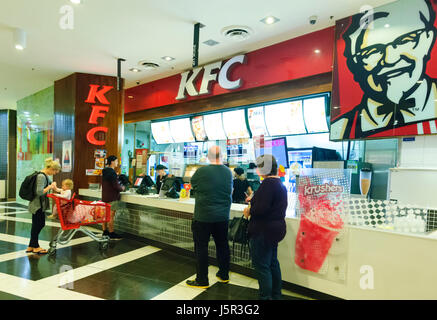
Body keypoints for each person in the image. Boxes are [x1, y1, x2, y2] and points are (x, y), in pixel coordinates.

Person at [331, 0, 437, 139]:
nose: (390, 59)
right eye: (371, 52)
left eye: (404, 41)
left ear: (427, 40)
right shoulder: (341, 128)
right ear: (355, 65)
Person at [186, 146, 233, 288]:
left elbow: (192, 185)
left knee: (201, 247)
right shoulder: (228, 172)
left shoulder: (202, 171)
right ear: (222, 156)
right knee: (222, 245)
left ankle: (202, 280)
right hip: (223, 217)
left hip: (203, 217)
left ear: (208, 157)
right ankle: (224, 275)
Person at [243, 154, 287, 300]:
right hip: (275, 229)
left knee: (262, 267)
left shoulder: (268, 184)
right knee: (273, 263)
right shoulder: (279, 183)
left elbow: (261, 209)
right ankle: (276, 295)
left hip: (263, 230)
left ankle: (265, 297)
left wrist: (249, 209)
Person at [26, 158, 60, 255]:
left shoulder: (44, 175)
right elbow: (39, 192)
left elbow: (51, 185)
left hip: (39, 204)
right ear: (51, 169)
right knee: (39, 224)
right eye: (55, 171)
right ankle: (35, 246)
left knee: (37, 224)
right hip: (37, 205)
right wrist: (50, 187)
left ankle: (31, 245)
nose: (54, 174)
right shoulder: (41, 176)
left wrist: (60, 190)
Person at [102, 155, 124, 240]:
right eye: (116, 161)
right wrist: (122, 188)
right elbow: (116, 186)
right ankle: (111, 233)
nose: (117, 163)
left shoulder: (104, 171)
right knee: (111, 216)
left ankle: (105, 231)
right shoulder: (112, 172)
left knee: (105, 215)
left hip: (105, 197)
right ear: (112, 162)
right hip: (112, 197)